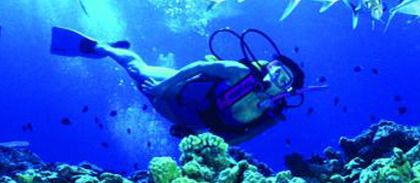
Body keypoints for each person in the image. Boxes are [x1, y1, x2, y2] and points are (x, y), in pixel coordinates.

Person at [50, 27, 322, 144]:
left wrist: (195, 137)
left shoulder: (269, 116)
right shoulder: (240, 73)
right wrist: (164, 88)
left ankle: (113, 49)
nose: (273, 79)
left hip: (184, 115)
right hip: (172, 94)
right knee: (137, 68)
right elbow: (197, 68)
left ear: (288, 91)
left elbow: (237, 138)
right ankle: (102, 47)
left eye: (282, 80)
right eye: (276, 70)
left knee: (141, 67)